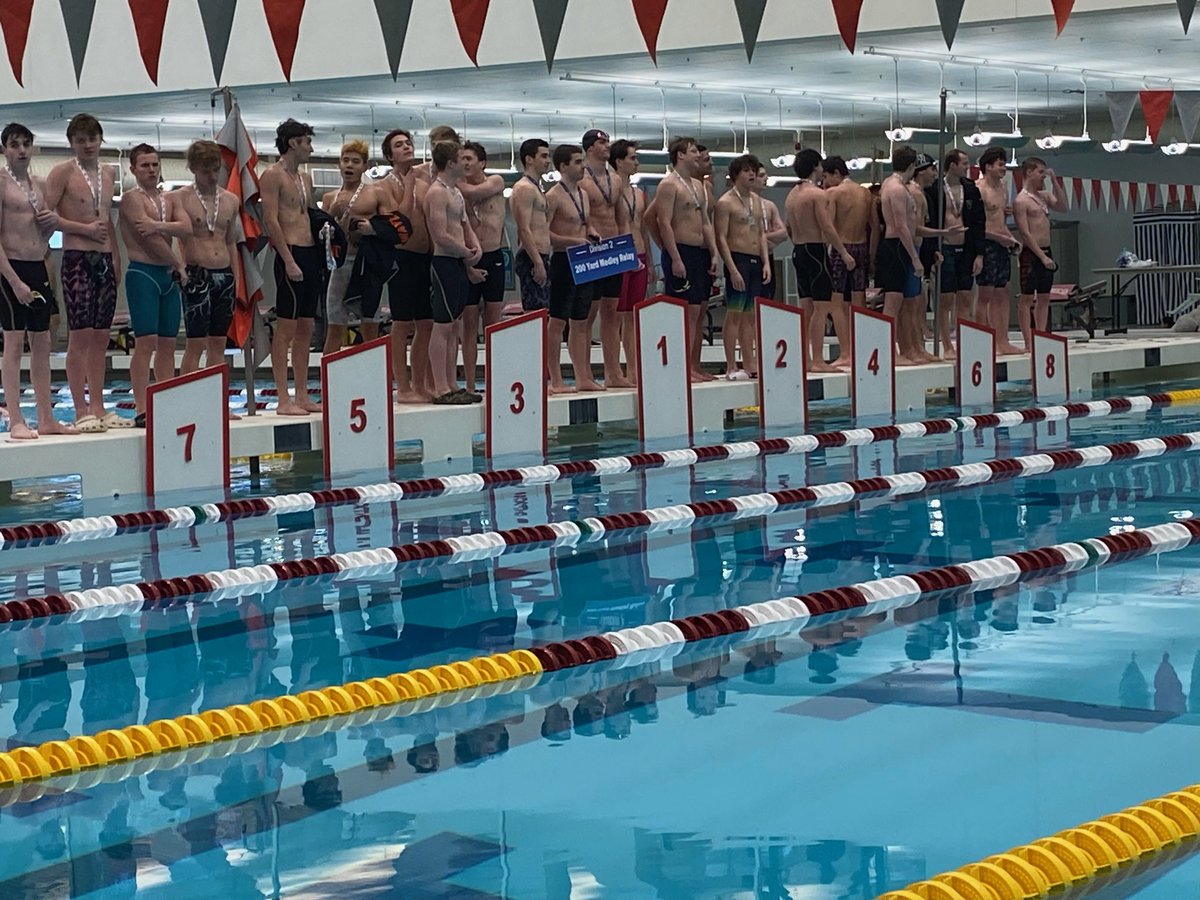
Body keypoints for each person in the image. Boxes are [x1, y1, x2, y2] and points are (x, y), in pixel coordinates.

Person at [44, 113, 125, 432]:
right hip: (77, 258)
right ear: (71, 143)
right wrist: (83, 229)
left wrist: (116, 257)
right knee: (79, 336)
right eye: (81, 140)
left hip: (105, 260)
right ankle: (80, 409)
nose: (88, 145)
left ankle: (100, 407)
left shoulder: (108, 173)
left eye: (92, 139)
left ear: (100, 140)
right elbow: (46, 216)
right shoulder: (61, 172)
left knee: (101, 337)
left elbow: (106, 221)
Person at [0, 122, 76, 439]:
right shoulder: (1, 183)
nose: (21, 150)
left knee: (42, 343)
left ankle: (46, 418)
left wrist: (50, 225)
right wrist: (14, 282)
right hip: (10, 270)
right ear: (4, 149)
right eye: (14, 145)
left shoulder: (37, 185)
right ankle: (16, 418)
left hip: (37, 266)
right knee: (15, 343)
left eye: (26, 144)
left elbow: (43, 236)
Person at [118, 143, 189, 426]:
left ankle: (166, 402)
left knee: (169, 345)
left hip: (166, 278)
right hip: (143, 273)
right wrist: (178, 263)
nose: (151, 170)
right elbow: (147, 238)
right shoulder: (130, 199)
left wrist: (159, 225)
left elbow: (186, 228)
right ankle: (140, 406)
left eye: (155, 165)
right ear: (133, 169)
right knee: (145, 344)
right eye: (145, 165)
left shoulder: (170, 198)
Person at [260, 118, 322, 415]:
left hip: (310, 253)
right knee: (286, 327)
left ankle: (301, 393)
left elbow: (308, 215)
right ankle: (283, 399)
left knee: (307, 327)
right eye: (307, 142)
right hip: (291, 254)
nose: (310, 147)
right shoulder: (272, 176)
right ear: (293, 143)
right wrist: (287, 259)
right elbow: (271, 220)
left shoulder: (305, 178)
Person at [175, 140, 243, 403]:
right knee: (195, 343)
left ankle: (217, 403)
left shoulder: (231, 200)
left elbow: (231, 242)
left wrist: (235, 278)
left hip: (224, 275)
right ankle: (189, 403)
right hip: (197, 275)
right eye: (206, 171)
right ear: (192, 168)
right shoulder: (180, 198)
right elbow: (176, 237)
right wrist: (180, 269)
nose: (212, 176)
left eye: (216, 170)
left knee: (218, 343)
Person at [424, 140, 484, 404]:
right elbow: (439, 234)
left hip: (458, 262)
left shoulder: (455, 192)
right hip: (444, 263)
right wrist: (465, 251)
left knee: (454, 325)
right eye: (462, 158)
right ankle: (440, 387)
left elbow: (465, 224)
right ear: (451, 163)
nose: (466, 163)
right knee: (443, 325)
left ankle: (451, 383)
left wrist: (475, 247)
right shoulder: (436, 193)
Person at [655, 136, 718, 383]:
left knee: (700, 310)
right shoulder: (669, 185)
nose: (697, 155)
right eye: (693, 151)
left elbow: (706, 223)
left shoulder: (698, 185)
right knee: (687, 312)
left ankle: (695, 365)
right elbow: (663, 223)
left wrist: (713, 253)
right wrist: (675, 258)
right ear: (680, 155)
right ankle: (683, 367)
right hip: (681, 251)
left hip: (700, 253)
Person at [378, 128, 434, 402]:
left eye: (408, 143)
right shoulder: (384, 185)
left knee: (426, 324)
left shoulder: (425, 184)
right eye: (399, 145)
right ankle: (403, 387)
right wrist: (410, 187)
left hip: (424, 259)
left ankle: (420, 384)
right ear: (389, 155)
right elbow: (401, 220)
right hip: (401, 259)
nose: (406, 147)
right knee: (402, 323)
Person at [786, 148, 851, 371]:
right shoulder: (817, 194)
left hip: (798, 250)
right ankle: (817, 360)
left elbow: (788, 227)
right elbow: (827, 227)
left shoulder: (792, 195)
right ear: (817, 167)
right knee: (822, 308)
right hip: (816, 252)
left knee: (807, 309)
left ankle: (805, 359)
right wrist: (843, 252)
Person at [319, 139, 386, 355]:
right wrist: (332, 216)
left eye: (355, 161)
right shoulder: (330, 198)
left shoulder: (375, 193)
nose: (349, 165)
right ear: (339, 164)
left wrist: (372, 229)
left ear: (364, 166)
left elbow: (391, 226)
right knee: (335, 324)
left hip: (366, 265)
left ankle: (374, 374)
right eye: (345, 160)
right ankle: (328, 377)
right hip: (340, 265)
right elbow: (322, 235)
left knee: (370, 324)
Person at [547, 143, 603, 393]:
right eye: (578, 162)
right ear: (563, 167)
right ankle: (556, 379)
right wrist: (573, 242)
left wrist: (591, 233)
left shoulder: (582, 194)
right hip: (563, 262)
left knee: (581, 321)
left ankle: (583, 377)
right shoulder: (553, 197)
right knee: (558, 322)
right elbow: (543, 234)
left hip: (584, 261)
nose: (583, 166)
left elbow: (585, 223)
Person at [580, 129, 633, 387]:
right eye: (602, 142)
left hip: (614, 249)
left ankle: (614, 373)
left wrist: (627, 245)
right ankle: (585, 373)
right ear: (590, 148)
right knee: (588, 314)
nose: (607, 146)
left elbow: (622, 216)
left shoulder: (615, 179)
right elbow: (582, 216)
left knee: (613, 312)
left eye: (607, 142)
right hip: (593, 250)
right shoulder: (581, 180)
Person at [925, 149, 985, 358]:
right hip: (945, 248)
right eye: (965, 164)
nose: (968, 168)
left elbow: (979, 223)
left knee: (966, 298)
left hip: (966, 249)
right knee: (945, 299)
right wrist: (933, 250)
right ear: (952, 165)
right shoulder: (935, 189)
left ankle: (964, 342)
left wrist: (979, 254)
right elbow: (930, 221)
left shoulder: (971, 189)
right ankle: (947, 346)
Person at [457, 141, 507, 394]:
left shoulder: (496, 182)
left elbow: (475, 193)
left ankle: (493, 378)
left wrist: (453, 179)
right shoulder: (456, 193)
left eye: (469, 159)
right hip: (469, 258)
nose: (465, 163)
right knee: (468, 324)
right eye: (461, 159)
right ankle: (467, 382)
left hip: (493, 255)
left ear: (482, 163)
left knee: (493, 323)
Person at [714, 153, 769, 380]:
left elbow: (762, 234)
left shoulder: (757, 202)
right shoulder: (725, 203)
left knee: (749, 315)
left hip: (756, 260)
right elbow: (721, 238)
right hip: (738, 259)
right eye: (747, 171)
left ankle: (749, 362)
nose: (752, 174)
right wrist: (732, 268)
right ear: (736, 175)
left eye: (753, 170)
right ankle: (730, 364)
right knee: (735, 314)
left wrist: (767, 262)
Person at [875, 145, 926, 366]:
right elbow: (901, 226)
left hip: (898, 246)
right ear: (913, 166)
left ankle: (901, 350)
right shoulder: (895, 188)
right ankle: (889, 352)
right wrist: (915, 258)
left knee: (899, 301)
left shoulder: (893, 185)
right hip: (896, 247)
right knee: (892, 303)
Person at [1013, 156, 1067, 352]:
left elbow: (1062, 207)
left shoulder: (1044, 196)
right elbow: (1025, 233)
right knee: (1027, 298)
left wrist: (1055, 182)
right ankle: (1028, 341)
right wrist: (1041, 257)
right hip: (1031, 253)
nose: (1043, 176)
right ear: (1028, 172)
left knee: (1044, 297)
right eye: (1041, 172)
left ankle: (1041, 335)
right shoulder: (1021, 200)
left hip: (1047, 250)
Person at [910, 153, 959, 362]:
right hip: (912, 249)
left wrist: (932, 250)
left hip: (921, 249)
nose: (934, 174)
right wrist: (942, 235)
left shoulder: (925, 193)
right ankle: (914, 343)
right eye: (931, 169)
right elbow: (914, 229)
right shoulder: (914, 193)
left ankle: (917, 343)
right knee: (913, 300)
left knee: (918, 297)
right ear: (921, 171)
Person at [612, 139, 652, 384]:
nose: (636, 162)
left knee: (633, 316)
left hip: (640, 255)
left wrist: (648, 256)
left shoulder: (640, 193)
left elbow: (644, 228)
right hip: (620, 255)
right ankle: (614, 369)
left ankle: (633, 368)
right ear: (618, 161)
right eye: (632, 158)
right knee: (616, 316)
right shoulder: (612, 192)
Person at [976, 146, 1023, 355]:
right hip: (987, 244)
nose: (1004, 168)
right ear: (988, 166)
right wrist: (1001, 238)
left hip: (1002, 243)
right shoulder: (979, 189)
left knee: (1003, 292)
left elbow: (1000, 221)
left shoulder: (1003, 188)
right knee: (986, 294)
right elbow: (978, 226)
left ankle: (1003, 340)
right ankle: (986, 341)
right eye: (1000, 164)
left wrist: (1012, 239)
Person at [823, 154, 877, 310]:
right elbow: (874, 228)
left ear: (836, 173)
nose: (825, 182)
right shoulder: (866, 193)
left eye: (826, 177)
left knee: (837, 298)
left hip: (841, 248)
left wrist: (829, 250)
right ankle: (859, 333)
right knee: (859, 297)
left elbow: (829, 226)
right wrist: (871, 257)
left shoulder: (834, 193)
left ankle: (844, 334)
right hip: (862, 247)